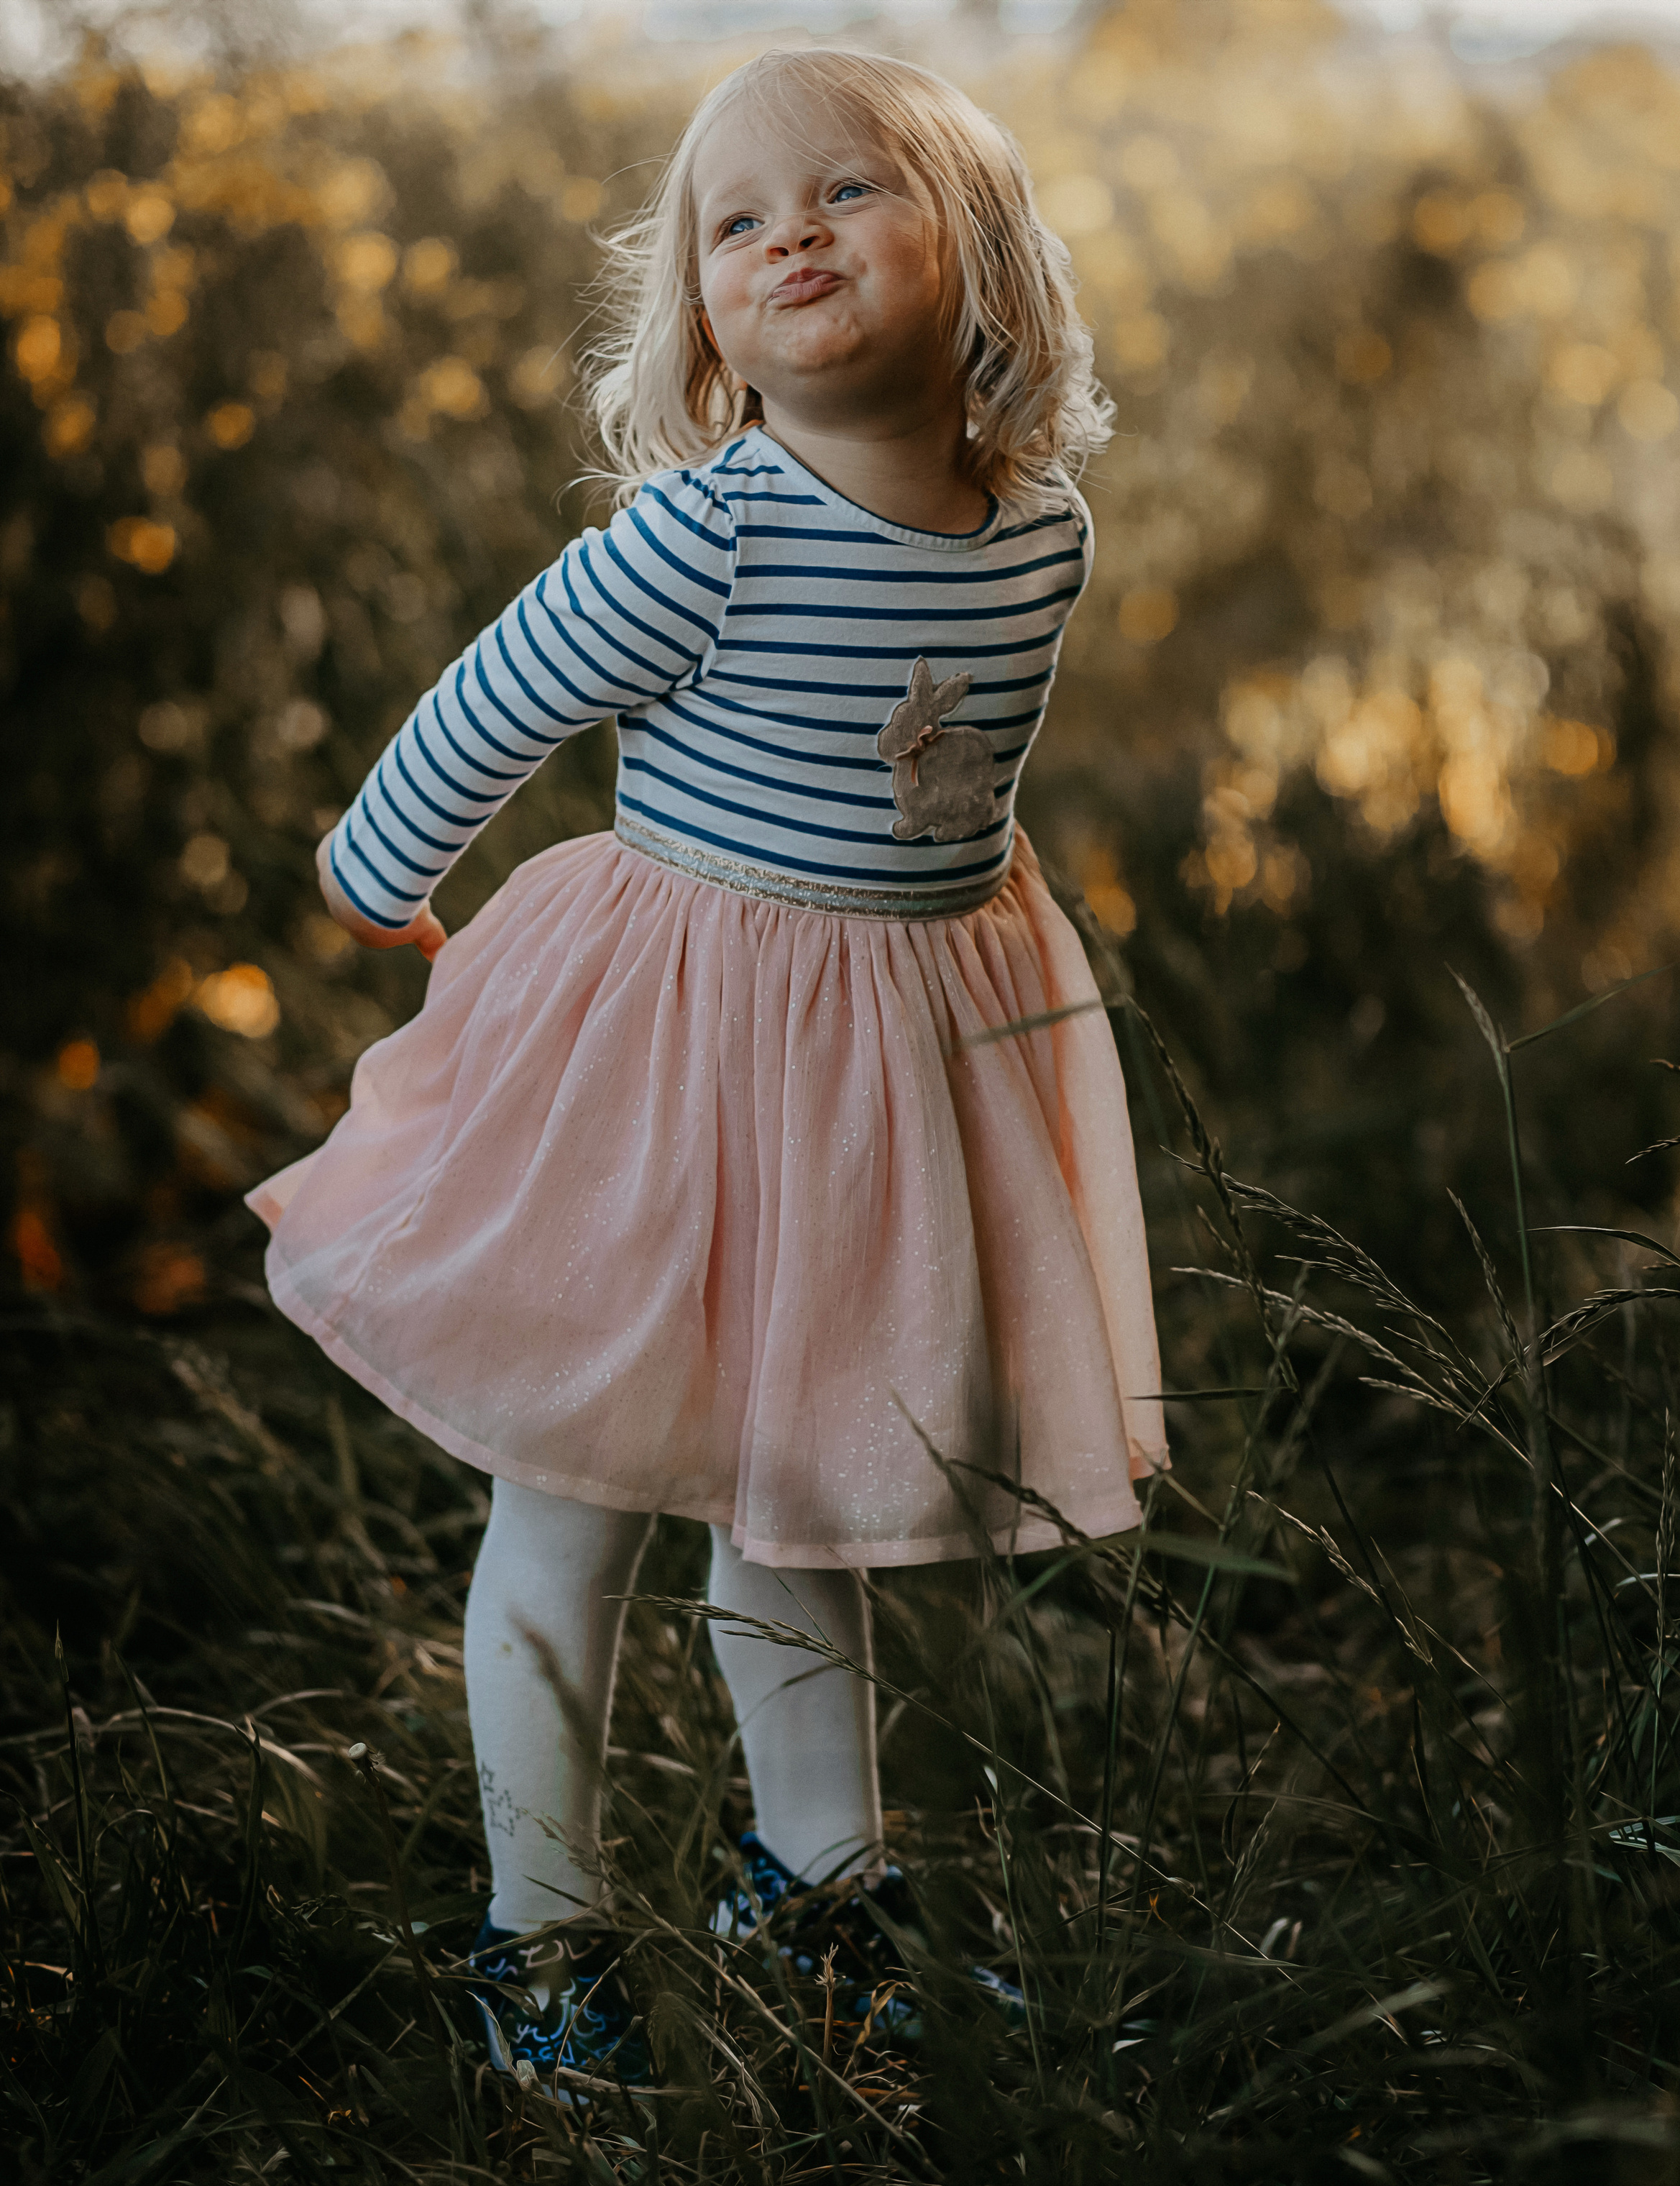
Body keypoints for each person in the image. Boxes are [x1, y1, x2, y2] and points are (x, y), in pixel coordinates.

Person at [247, 45, 1165, 2092]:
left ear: (986, 259)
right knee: (567, 1516)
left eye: (848, 193)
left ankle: (821, 1904)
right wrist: (383, 875)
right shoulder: (714, 533)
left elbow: (950, 792)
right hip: (662, 1069)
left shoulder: (1039, 534)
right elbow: (489, 700)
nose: (791, 240)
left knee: (798, 1507)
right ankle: (539, 1943)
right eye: (738, 223)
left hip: (872, 1078)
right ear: (704, 324)